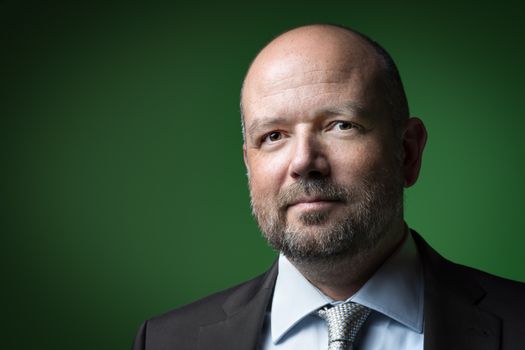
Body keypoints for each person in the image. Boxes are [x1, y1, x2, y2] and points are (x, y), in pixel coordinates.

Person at [132, 24, 525, 350]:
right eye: (273, 135)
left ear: (407, 152)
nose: (304, 162)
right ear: (249, 165)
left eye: (341, 125)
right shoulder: (166, 341)